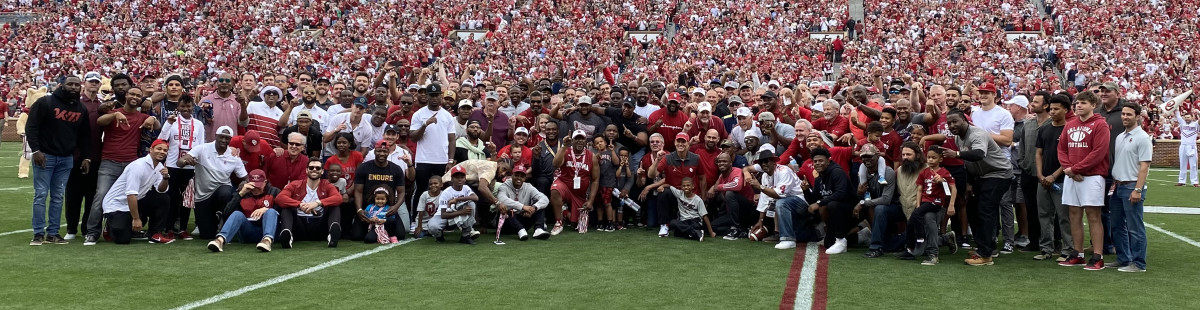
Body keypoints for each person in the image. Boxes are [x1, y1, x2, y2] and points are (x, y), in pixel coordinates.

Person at [83, 88, 159, 245]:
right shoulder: (114, 112)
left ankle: (131, 228)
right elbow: (99, 121)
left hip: (131, 164)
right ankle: (92, 232)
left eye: (138, 95)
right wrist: (114, 115)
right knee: (100, 196)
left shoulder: (142, 116)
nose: (135, 97)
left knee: (135, 196)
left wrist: (153, 119)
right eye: (132, 94)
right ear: (126, 95)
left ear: (141, 99)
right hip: (110, 163)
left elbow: (157, 126)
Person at [26, 76, 91, 246]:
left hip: (66, 158)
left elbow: (84, 135)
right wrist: (36, 150)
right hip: (45, 155)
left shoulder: (81, 108)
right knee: (40, 194)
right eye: (70, 84)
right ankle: (38, 233)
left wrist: (86, 156)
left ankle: (53, 233)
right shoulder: (45, 102)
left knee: (58, 196)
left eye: (77, 85)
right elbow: (31, 126)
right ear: (62, 85)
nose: (74, 87)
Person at [943, 108, 1013, 266]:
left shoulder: (977, 134)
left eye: (955, 121)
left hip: (999, 173)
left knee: (985, 209)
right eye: (949, 123)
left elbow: (979, 154)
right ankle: (985, 246)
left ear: (965, 121)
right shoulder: (958, 138)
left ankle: (986, 254)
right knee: (972, 209)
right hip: (982, 176)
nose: (952, 125)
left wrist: (957, 154)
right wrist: (969, 183)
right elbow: (969, 163)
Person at [1056, 91, 1111, 270]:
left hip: (1093, 176)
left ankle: (1097, 256)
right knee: (1074, 214)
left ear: (1093, 105)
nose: (1078, 106)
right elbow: (1062, 149)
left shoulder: (1100, 124)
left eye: (1083, 103)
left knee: (1093, 216)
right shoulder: (1070, 124)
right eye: (1077, 103)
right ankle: (1077, 253)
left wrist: (1075, 169)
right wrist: (1069, 170)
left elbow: (1099, 152)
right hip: (1072, 175)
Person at [178, 126, 249, 240]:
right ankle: (215, 220)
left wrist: (244, 182)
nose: (224, 140)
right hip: (202, 196)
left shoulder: (234, 157)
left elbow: (245, 177)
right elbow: (180, 162)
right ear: (215, 136)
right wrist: (186, 160)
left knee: (225, 192)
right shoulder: (202, 148)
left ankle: (221, 214)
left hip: (221, 192)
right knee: (207, 235)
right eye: (221, 137)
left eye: (227, 138)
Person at [99, 139, 170, 245]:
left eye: (165, 150)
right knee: (123, 240)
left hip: (136, 200)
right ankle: (110, 226)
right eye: (159, 149)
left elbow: (161, 190)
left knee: (163, 198)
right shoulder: (138, 166)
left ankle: (155, 233)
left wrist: (165, 178)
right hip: (116, 205)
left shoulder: (160, 167)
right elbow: (131, 194)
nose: (162, 152)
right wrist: (136, 219)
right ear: (151, 149)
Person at [1108, 102, 1151, 272]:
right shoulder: (1120, 137)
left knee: (1135, 227)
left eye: (1129, 114)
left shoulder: (1142, 137)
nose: (1125, 117)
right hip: (1118, 185)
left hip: (1132, 185)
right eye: (1123, 114)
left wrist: (1138, 189)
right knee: (1117, 225)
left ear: (1138, 116)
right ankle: (1123, 258)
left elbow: (1144, 166)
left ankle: (1139, 263)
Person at [746, 145, 811, 250]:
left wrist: (760, 187)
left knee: (781, 202)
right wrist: (761, 220)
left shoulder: (783, 171)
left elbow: (779, 194)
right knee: (802, 236)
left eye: (766, 161)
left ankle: (788, 239)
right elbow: (764, 198)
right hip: (790, 207)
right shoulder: (765, 176)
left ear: (773, 162)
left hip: (803, 202)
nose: (763, 164)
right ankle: (781, 234)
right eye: (761, 163)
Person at [902, 145, 958, 265]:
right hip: (925, 203)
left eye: (934, 157)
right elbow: (919, 189)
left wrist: (943, 183)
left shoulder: (944, 172)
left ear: (940, 159)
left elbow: (953, 188)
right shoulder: (924, 172)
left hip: (937, 204)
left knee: (928, 219)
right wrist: (918, 205)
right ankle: (913, 247)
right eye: (929, 157)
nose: (931, 160)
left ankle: (932, 254)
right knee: (913, 219)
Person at [1035, 94, 1074, 261]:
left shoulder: (1071, 129)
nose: (1052, 112)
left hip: (1062, 180)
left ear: (1066, 110)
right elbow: (1038, 153)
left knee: (1064, 216)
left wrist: (1054, 175)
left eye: (1057, 109)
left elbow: (1071, 157)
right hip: (1043, 180)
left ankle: (1068, 249)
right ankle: (1046, 249)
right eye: (1051, 108)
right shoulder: (1044, 128)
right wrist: (1040, 174)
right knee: (1044, 215)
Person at [275, 159, 346, 248]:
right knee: (287, 206)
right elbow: (279, 198)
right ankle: (286, 234)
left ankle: (333, 234)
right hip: (299, 225)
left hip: (320, 225)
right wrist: (300, 204)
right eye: (311, 167)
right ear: (306, 170)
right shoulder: (295, 184)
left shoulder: (327, 184)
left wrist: (317, 203)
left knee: (335, 206)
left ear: (322, 171)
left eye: (318, 168)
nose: (314, 170)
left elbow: (338, 198)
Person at [207, 169, 280, 252]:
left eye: (258, 186)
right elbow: (226, 213)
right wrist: (240, 194)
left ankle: (267, 241)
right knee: (237, 214)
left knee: (271, 212)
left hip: (269, 231)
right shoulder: (242, 193)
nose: (255, 189)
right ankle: (220, 240)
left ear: (265, 182)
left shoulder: (275, 192)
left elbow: (283, 211)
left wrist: (266, 209)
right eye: (253, 186)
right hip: (247, 230)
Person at [409, 83, 456, 209]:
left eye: (437, 95)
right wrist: (425, 124)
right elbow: (413, 137)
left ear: (441, 96)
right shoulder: (419, 114)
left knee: (442, 191)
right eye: (431, 95)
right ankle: (415, 220)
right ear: (427, 96)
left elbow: (452, 139)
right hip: (423, 160)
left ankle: (439, 218)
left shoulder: (447, 116)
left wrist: (450, 160)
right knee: (421, 190)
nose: (434, 98)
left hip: (441, 160)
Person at [648, 132, 702, 237]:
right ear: (674, 143)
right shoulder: (667, 158)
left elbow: (702, 178)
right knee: (663, 193)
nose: (680, 144)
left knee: (693, 224)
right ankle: (664, 225)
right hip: (674, 194)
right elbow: (651, 175)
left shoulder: (696, 158)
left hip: (690, 195)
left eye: (683, 141)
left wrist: (702, 196)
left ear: (688, 143)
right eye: (678, 141)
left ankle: (680, 224)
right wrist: (657, 160)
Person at [353, 142, 407, 241]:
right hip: (368, 209)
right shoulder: (364, 167)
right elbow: (358, 191)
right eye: (379, 151)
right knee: (357, 236)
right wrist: (359, 210)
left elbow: (401, 192)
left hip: (387, 210)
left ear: (388, 152)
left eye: (384, 151)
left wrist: (396, 207)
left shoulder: (396, 169)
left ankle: (380, 230)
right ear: (374, 152)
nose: (381, 154)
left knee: (401, 235)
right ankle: (374, 229)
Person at [856, 144, 903, 258]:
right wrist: (859, 194)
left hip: (894, 207)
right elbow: (864, 195)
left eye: (870, 156)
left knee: (880, 208)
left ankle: (875, 247)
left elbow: (886, 200)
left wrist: (862, 203)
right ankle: (841, 238)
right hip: (875, 207)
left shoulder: (888, 172)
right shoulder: (863, 172)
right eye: (864, 157)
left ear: (877, 156)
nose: (867, 160)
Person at [550, 130, 601, 235]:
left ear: (585, 141)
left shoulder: (591, 156)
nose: (579, 141)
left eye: (582, 138)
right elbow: (555, 164)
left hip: (580, 193)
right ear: (572, 140)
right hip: (564, 185)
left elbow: (595, 180)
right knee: (555, 189)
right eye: (577, 139)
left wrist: (591, 200)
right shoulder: (566, 151)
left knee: (578, 226)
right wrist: (564, 145)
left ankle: (564, 212)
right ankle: (558, 223)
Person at [494, 164, 552, 241]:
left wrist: (533, 208)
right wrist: (523, 207)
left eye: (521, 176)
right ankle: (520, 230)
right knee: (505, 208)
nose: (519, 178)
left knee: (539, 206)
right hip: (507, 223)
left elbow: (545, 199)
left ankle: (538, 229)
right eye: (516, 175)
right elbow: (502, 199)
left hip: (523, 219)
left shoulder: (528, 187)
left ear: (525, 178)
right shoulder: (504, 186)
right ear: (512, 176)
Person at [427, 166, 481, 244]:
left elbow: (476, 198)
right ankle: (439, 235)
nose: (459, 179)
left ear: (465, 179)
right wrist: (462, 212)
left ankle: (465, 236)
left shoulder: (466, 188)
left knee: (471, 204)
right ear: (452, 179)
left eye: (462, 177)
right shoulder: (446, 192)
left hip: (459, 215)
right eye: (456, 177)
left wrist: (457, 199)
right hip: (446, 216)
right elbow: (443, 215)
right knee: (433, 227)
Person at [1173, 105, 1198, 187]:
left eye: (1188, 117)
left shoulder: (1196, 124)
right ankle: (1181, 181)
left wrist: (1198, 113)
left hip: (1192, 146)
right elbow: (1177, 115)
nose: (1187, 118)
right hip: (1183, 146)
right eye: (1186, 117)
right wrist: (1176, 106)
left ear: (1192, 117)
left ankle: (1194, 181)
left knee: (1193, 165)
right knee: (1182, 164)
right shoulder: (1182, 123)